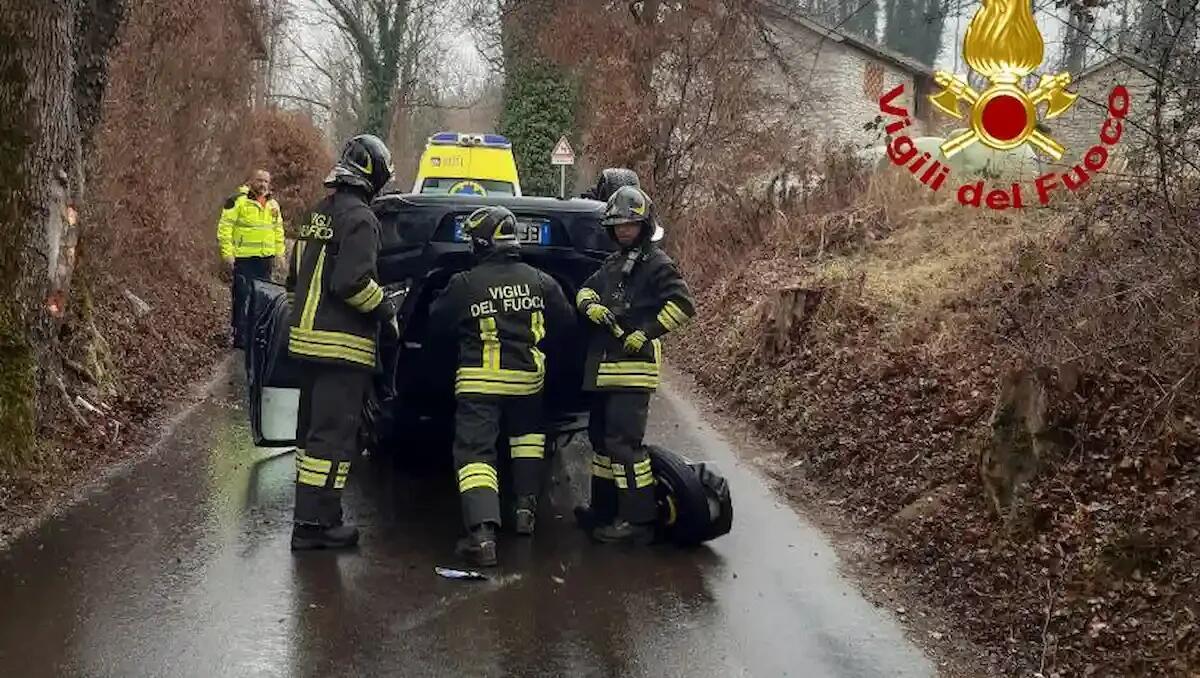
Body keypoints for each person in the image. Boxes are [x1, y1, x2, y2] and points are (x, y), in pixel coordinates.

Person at [427, 206, 574, 567]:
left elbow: (435, 325)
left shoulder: (464, 284)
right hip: (528, 383)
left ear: (479, 243)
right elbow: (568, 325)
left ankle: (481, 536)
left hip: (479, 384)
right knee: (527, 445)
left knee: (476, 455)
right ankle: (525, 514)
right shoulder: (541, 280)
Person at [285, 135, 400, 551]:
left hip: (306, 344)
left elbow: (293, 277)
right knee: (331, 439)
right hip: (341, 348)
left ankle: (317, 516)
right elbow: (352, 283)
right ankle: (315, 526)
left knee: (312, 436)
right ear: (375, 175)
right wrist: (386, 310)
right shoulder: (362, 219)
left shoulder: (318, 213)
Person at [574, 186, 695, 544]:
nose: (624, 230)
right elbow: (585, 291)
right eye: (619, 225)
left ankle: (637, 520)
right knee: (601, 442)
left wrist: (646, 333)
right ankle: (604, 510)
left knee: (624, 446)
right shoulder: (612, 264)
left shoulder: (658, 264)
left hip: (632, 368)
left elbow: (683, 305)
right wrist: (589, 305)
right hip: (603, 369)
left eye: (631, 224)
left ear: (644, 225)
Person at [218, 169, 285, 349]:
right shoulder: (237, 201)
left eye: (266, 181)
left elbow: (278, 231)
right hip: (244, 259)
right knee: (242, 296)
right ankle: (239, 335)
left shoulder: (273, 205)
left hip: (265, 259)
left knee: (262, 298)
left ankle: (257, 334)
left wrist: (280, 254)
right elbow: (225, 228)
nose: (263, 184)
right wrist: (228, 254)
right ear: (251, 181)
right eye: (259, 180)